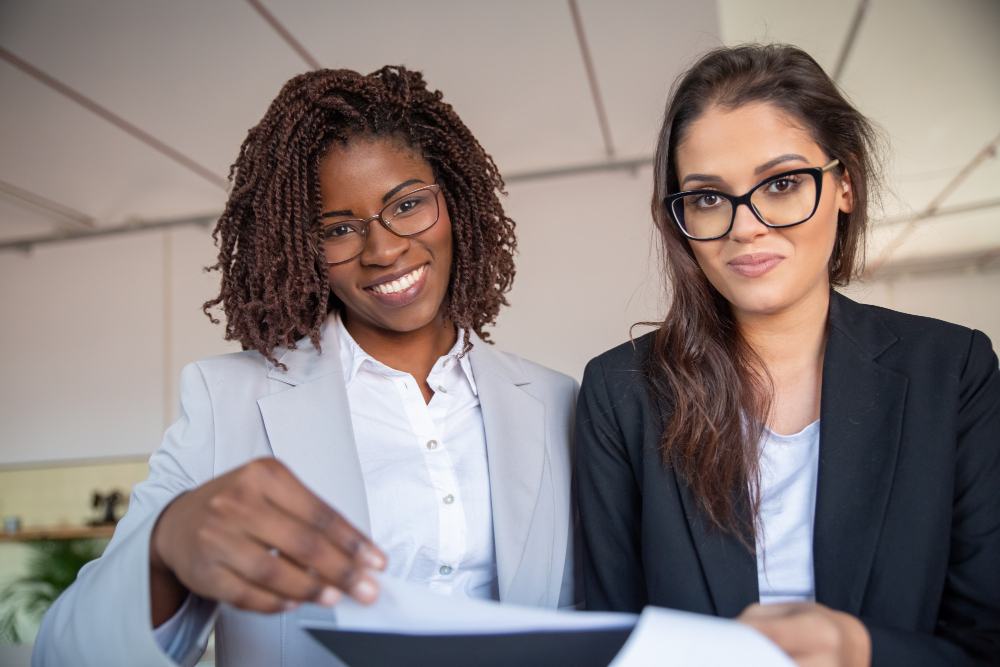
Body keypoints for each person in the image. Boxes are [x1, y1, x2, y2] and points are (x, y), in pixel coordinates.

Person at [35, 66, 577, 667]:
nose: (384, 249)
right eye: (339, 229)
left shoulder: (557, 404)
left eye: (408, 204)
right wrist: (163, 551)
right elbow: (63, 654)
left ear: (452, 198)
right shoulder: (226, 404)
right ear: (300, 246)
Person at [575, 44, 1000, 667]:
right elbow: (612, 642)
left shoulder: (951, 369)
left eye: (781, 183)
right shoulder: (622, 392)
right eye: (709, 197)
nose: (744, 226)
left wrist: (856, 648)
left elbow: (987, 641)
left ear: (844, 184)